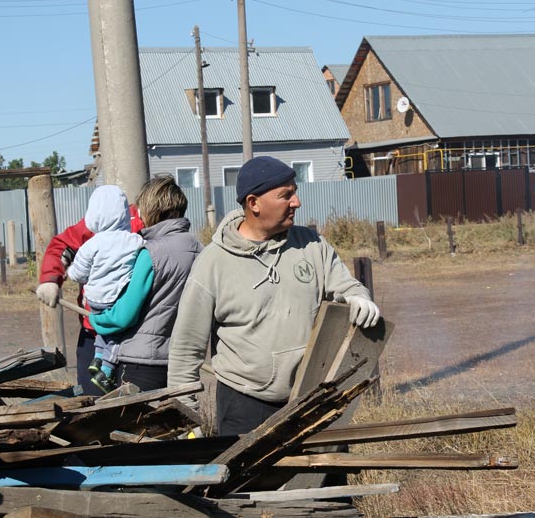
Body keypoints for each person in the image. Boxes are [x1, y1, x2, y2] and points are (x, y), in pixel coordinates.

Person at [167, 155, 380, 436]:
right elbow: (185, 350)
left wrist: (358, 297)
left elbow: (348, 286)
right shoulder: (212, 263)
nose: (297, 202)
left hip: (314, 397)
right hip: (244, 404)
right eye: (286, 195)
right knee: (255, 482)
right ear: (253, 203)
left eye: (295, 193)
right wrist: (184, 424)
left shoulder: (311, 245)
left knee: (326, 479)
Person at [86, 175, 203, 391]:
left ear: (150, 210)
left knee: (132, 424)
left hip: (141, 362)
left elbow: (124, 316)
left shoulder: (151, 252)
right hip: (181, 361)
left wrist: (96, 320)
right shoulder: (200, 249)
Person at [36, 191, 143, 396]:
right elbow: (63, 247)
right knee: (91, 397)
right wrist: (51, 279)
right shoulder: (98, 222)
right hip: (95, 328)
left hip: (138, 333)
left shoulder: (143, 224)